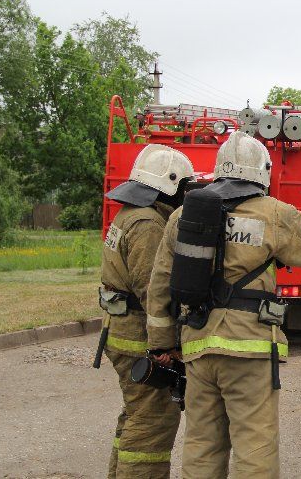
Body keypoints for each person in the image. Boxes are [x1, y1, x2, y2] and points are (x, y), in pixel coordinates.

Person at [146, 132, 301, 478]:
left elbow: (160, 281)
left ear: (220, 169)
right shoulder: (274, 213)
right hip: (249, 348)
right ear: (261, 172)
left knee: (202, 444)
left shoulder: (182, 215)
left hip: (198, 346)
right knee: (255, 447)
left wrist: (162, 342)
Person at [99, 144, 193, 478]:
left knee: (135, 415)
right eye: (184, 186)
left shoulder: (128, 215)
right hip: (138, 337)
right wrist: (167, 344)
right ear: (170, 184)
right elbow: (154, 291)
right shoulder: (149, 224)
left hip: (121, 330)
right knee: (152, 422)